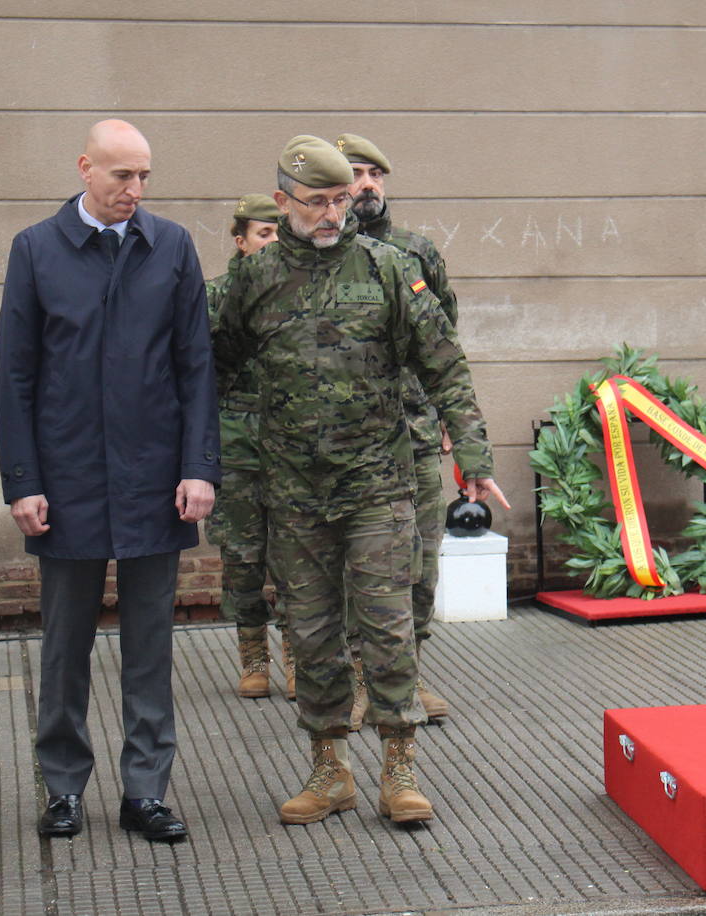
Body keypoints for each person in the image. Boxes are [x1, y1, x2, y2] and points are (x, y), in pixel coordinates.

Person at [213, 135, 508, 826]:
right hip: (293, 495)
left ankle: (399, 768)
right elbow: (213, 367)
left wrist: (474, 457)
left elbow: (446, 367)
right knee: (311, 634)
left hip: (378, 486)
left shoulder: (386, 269)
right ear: (283, 200)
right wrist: (212, 459)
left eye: (339, 200)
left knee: (387, 627)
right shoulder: (252, 283)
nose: (330, 214)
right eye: (315, 202)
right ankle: (329, 770)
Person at [0, 119, 220, 842]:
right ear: (86, 168)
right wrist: (22, 480)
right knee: (64, 645)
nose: (136, 190)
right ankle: (62, 789)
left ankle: (144, 792)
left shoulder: (172, 247)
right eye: (122, 175)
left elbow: (195, 366)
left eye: (145, 176)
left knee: (150, 644)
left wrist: (198, 467)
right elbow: (15, 374)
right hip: (68, 482)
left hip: (157, 478)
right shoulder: (36, 250)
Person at [336, 133, 456, 726]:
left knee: (421, 561)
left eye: (373, 174)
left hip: (415, 432)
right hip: (359, 442)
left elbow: (444, 344)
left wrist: (449, 420)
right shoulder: (328, 255)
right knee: (364, 565)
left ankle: (409, 676)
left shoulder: (417, 253)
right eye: (354, 174)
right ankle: (361, 679)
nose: (366, 185)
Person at [205, 193, 293, 700]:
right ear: (240, 242)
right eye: (264, 233)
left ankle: (298, 658)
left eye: (280, 232)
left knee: (296, 559)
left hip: (292, 448)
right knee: (242, 557)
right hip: (234, 445)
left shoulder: (300, 291)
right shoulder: (215, 297)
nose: (273, 242)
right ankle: (253, 656)